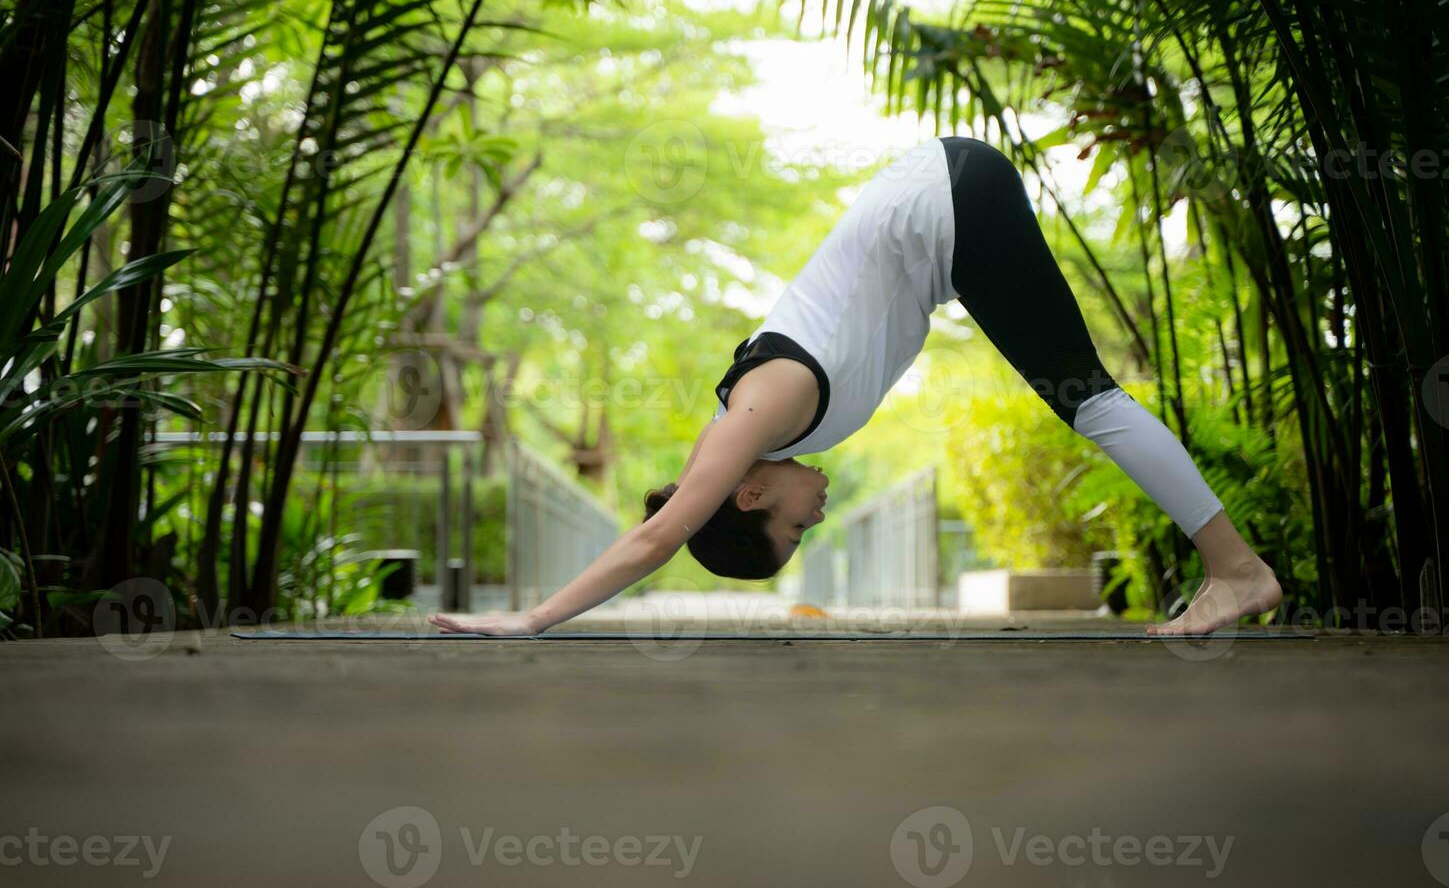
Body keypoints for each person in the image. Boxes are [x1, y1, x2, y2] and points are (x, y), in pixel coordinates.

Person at [430, 136, 1282, 638]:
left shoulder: (760, 412)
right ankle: (1233, 569)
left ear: (751, 493)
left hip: (950, 206)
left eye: (796, 526)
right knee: (1083, 396)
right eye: (808, 534)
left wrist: (528, 620)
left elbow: (654, 541)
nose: (817, 516)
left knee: (1089, 401)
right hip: (947, 207)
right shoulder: (764, 433)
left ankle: (1236, 571)